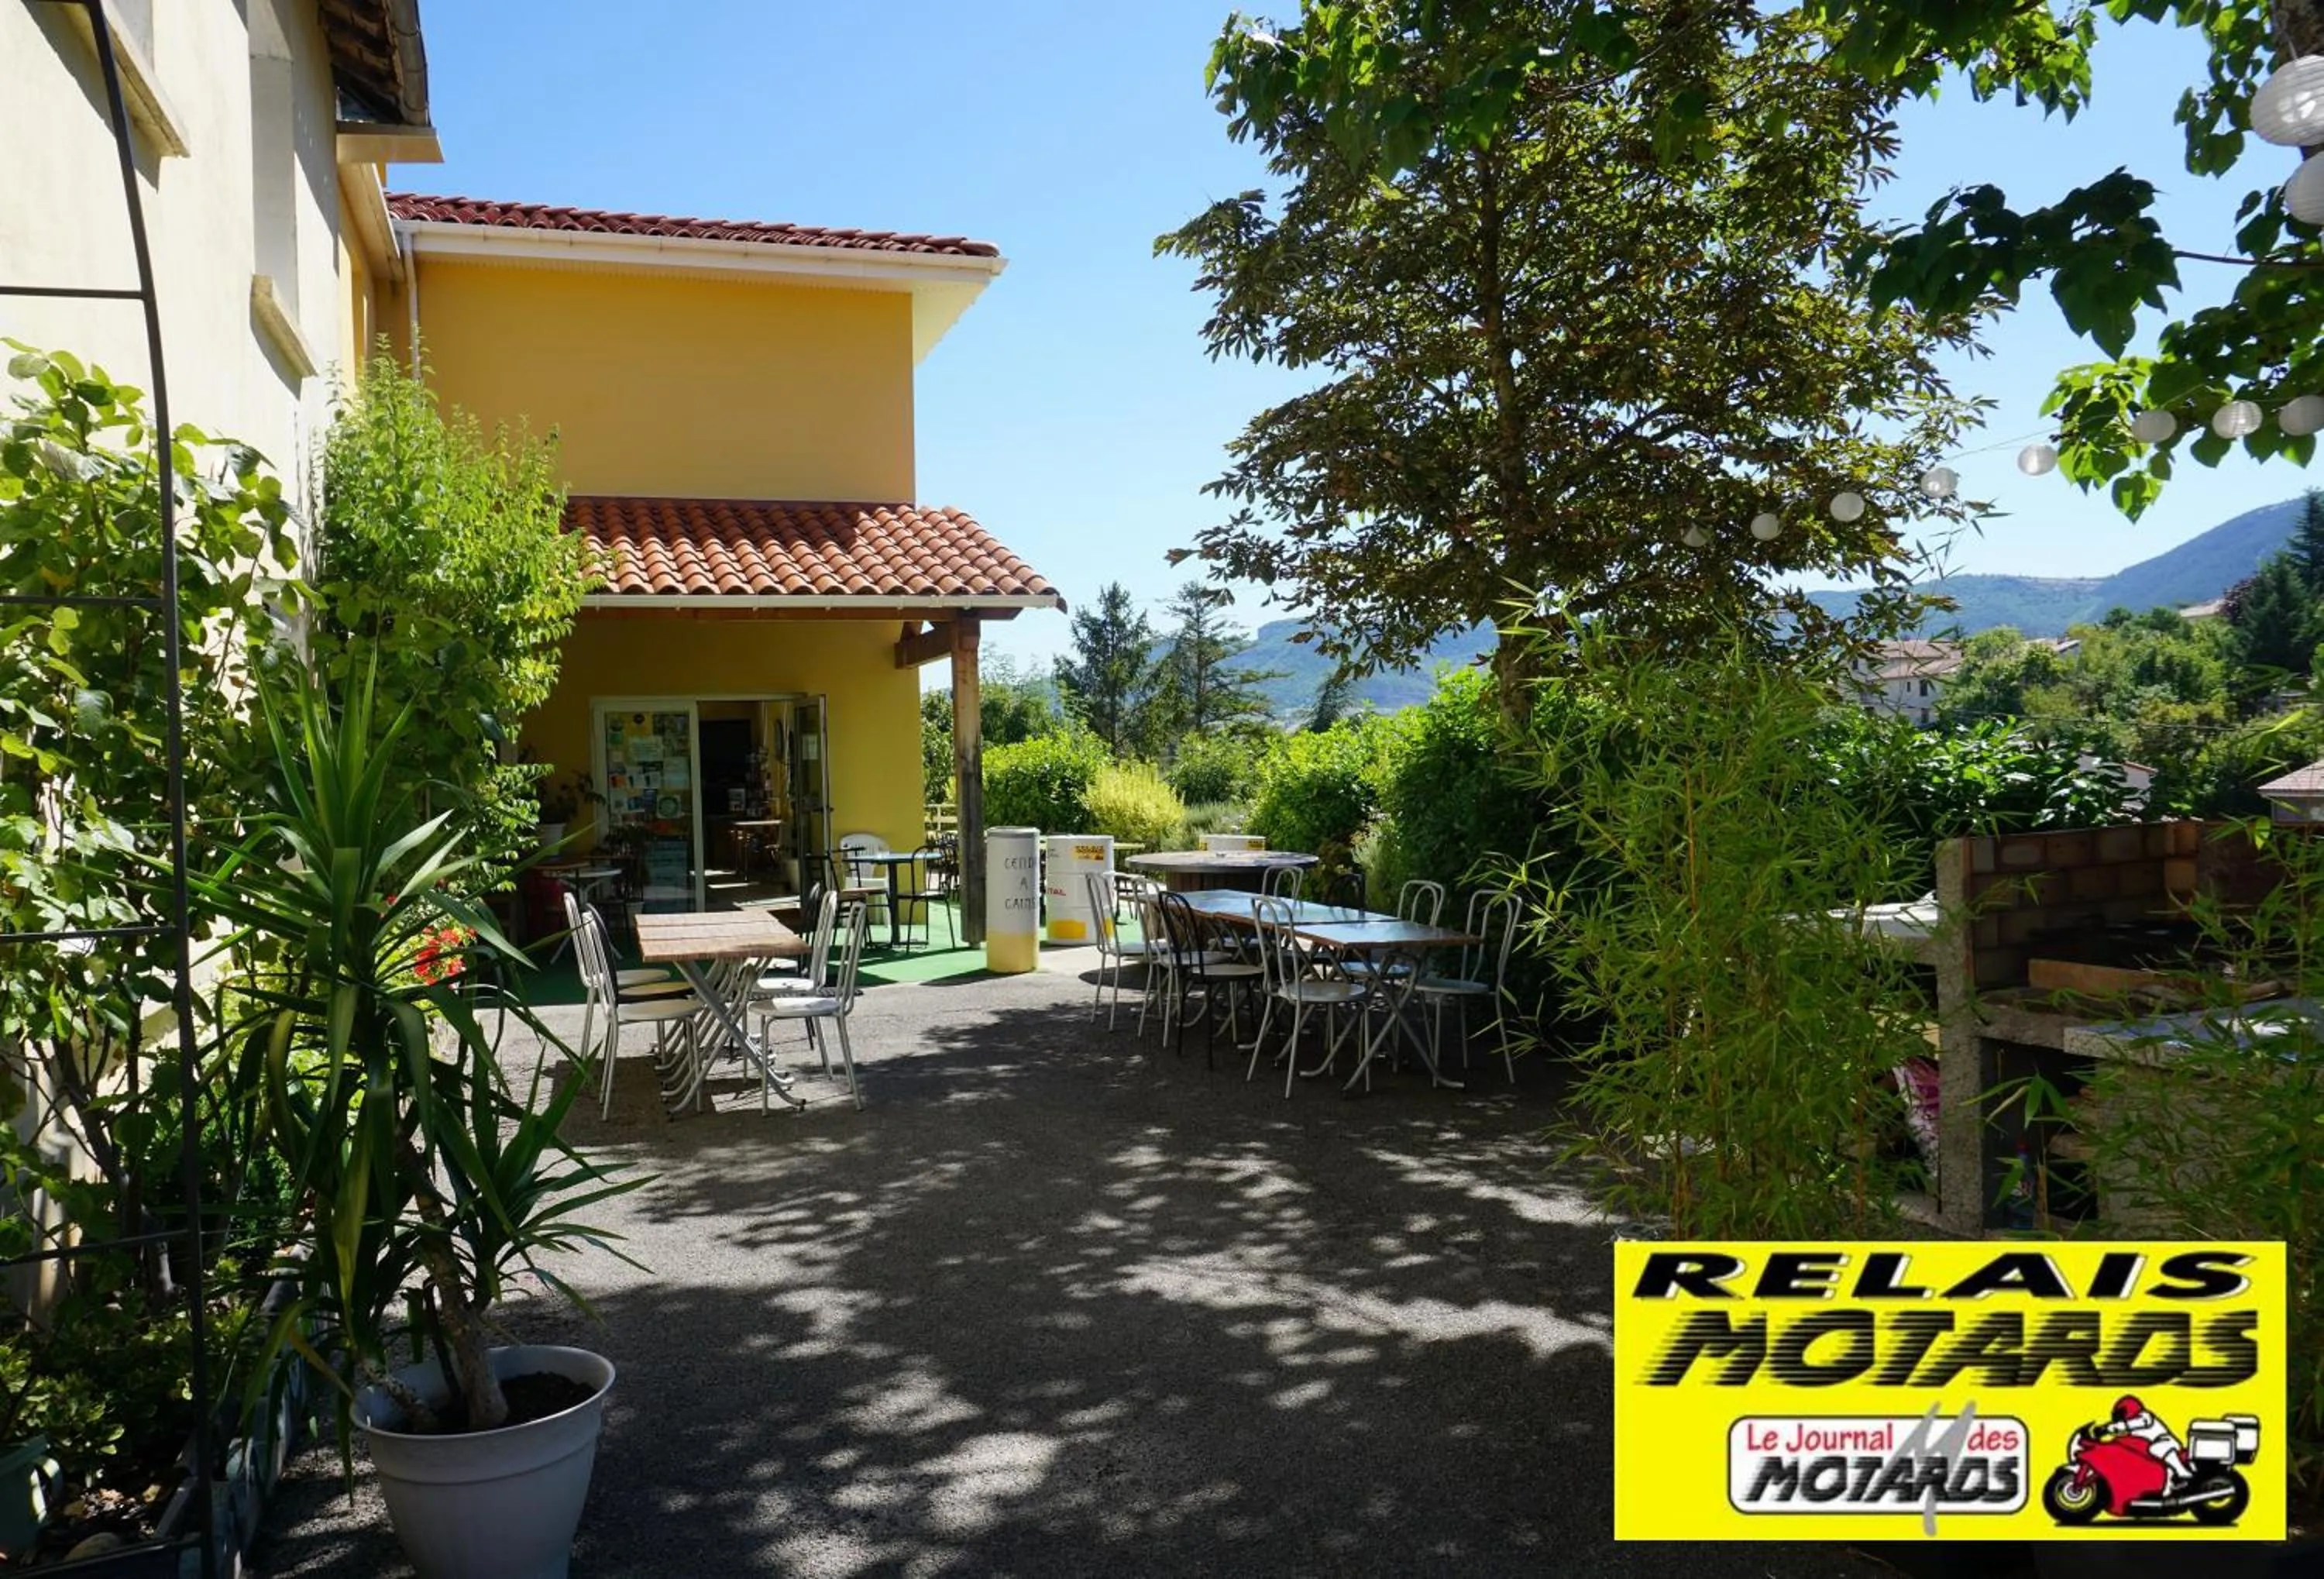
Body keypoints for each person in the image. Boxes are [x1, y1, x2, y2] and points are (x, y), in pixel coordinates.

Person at [2106, 1395, 2190, 1488]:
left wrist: (2121, 1426)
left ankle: (2183, 1473)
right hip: (2159, 1453)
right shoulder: (2129, 1429)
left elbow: (2141, 1422)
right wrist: (2105, 1430)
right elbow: (2121, 1432)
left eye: (2120, 1414)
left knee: (2156, 1448)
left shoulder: (2145, 1416)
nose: (2118, 1418)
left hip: (2167, 1442)